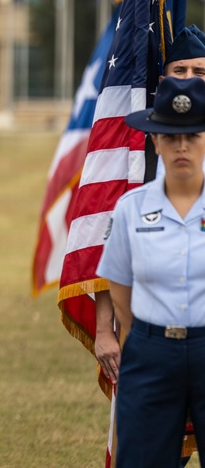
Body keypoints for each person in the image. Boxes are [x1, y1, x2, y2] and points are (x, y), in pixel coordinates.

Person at [96, 76, 205, 466]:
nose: (181, 146)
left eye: (192, 135)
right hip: (152, 352)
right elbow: (121, 290)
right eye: (170, 136)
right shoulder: (130, 207)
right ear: (154, 141)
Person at [95, 26, 205, 386]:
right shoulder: (136, 156)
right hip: (152, 338)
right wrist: (106, 330)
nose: (189, 79)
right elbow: (112, 255)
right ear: (163, 79)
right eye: (180, 71)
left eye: (200, 72)